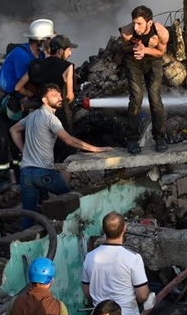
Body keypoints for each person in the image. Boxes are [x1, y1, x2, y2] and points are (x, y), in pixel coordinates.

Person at [10, 84, 112, 228]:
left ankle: (24, 245)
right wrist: (95, 149)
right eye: (54, 96)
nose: (59, 98)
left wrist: (23, 150)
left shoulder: (32, 116)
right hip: (43, 172)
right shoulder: (50, 118)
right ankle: (79, 228)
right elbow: (69, 140)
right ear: (45, 100)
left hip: (26, 173)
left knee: (28, 216)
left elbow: (14, 129)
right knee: (72, 199)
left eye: (59, 95)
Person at [0, 19, 54, 191]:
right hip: (1, 95)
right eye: (48, 38)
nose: (50, 41)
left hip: (18, 96)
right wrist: (34, 96)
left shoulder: (41, 55)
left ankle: (19, 173)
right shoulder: (20, 55)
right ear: (40, 40)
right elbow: (23, 86)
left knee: (18, 133)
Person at [82, 212, 151, 315]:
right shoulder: (132, 258)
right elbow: (143, 295)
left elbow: (87, 294)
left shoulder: (90, 257)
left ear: (103, 229)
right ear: (124, 229)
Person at [14, 34, 78, 161]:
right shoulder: (67, 66)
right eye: (69, 50)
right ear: (60, 51)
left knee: (46, 150)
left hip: (40, 113)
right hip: (60, 114)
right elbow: (69, 96)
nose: (70, 54)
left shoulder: (35, 65)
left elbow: (18, 88)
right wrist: (66, 102)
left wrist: (33, 95)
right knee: (65, 154)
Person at [119, 5, 169, 155]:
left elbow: (160, 53)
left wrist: (145, 50)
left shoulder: (161, 33)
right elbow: (124, 48)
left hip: (153, 61)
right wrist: (136, 47)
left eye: (139, 23)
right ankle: (132, 139)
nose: (136, 26)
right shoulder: (127, 32)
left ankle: (160, 137)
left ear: (149, 23)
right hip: (133, 62)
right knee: (136, 98)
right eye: (134, 22)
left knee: (155, 99)